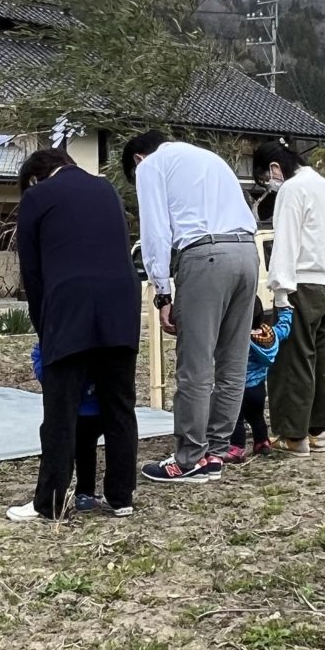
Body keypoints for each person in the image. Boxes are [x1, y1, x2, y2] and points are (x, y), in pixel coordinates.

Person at [6, 147, 142, 522]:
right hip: (121, 306)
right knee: (119, 406)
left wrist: (43, 328)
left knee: (61, 411)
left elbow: (32, 275)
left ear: (35, 177)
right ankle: (121, 496)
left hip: (68, 309)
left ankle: (49, 502)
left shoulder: (36, 196)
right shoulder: (107, 189)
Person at [123, 129, 257, 484]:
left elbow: (156, 232)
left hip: (204, 254)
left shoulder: (151, 166)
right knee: (233, 361)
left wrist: (162, 292)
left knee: (195, 364)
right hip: (247, 251)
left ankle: (188, 459)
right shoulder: (210, 160)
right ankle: (216, 449)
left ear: (138, 159)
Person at [253, 141, 325, 456]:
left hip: (299, 285)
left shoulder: (292, 190)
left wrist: (279, 292)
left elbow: (286, 242)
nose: (270, 186)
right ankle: (318, 432)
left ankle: (294, 436)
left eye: (267, 179)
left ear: (275, 169)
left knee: (291, 361)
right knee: (320, 361)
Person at [29, 341, 106, 511]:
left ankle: (57, 496)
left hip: (73, 412)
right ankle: (85, 494)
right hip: (94, 410)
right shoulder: (98, 342)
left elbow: (44, 372)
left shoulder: (54, 341)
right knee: (86, 451)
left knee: (66, 450)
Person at [228, 298, 293, 462]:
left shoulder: (237, 336)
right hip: (258, 388)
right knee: (257, 416)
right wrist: (286, 311)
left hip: (239, 387)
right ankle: (262, 442)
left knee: (237, 419)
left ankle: (237, 447)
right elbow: (284, 329)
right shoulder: (269, 334)